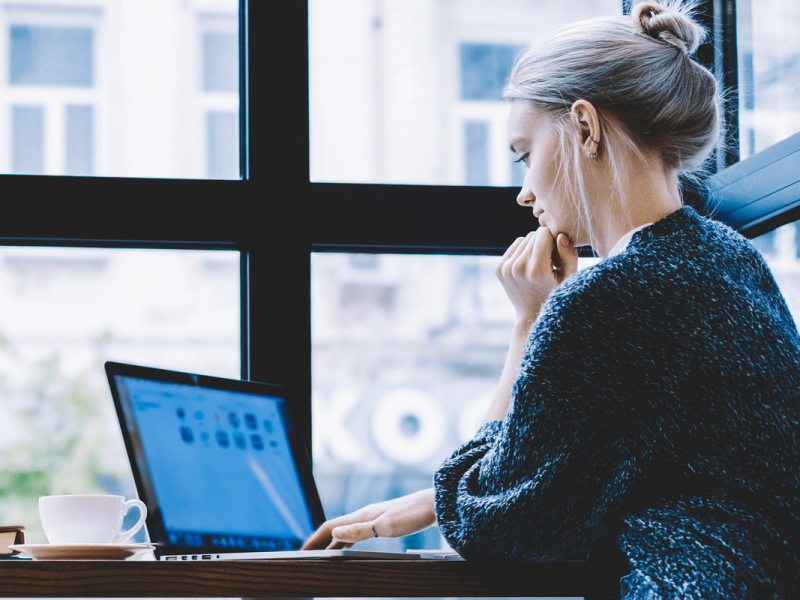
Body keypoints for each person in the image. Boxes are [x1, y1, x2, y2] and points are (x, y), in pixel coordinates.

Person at [303, 1, 800, 597]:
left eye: (525, 154)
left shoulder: (607, 300)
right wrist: (433, 501)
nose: (523, 192)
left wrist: (529, 322)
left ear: (584, 127)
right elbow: (563, 480)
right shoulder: (730, 260)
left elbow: (494, 523)